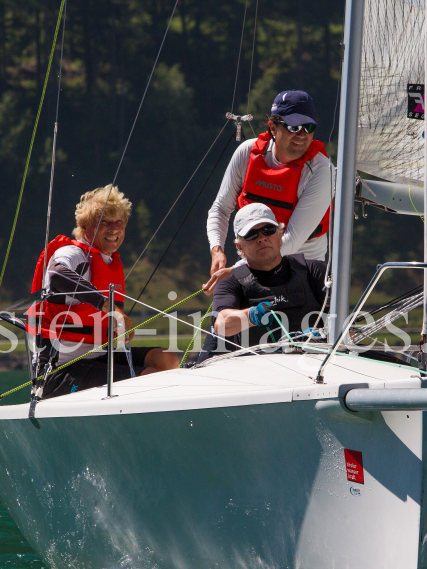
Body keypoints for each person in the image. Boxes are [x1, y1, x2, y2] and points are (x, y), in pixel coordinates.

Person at [27, 185, 178, 399]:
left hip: (99, 358)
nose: (113, 229)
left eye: (119, 222)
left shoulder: (108, 263)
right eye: (104, 222)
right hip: (61, 371)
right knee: (149, 376)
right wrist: (110, 308)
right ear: (85, 226)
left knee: (166, 359)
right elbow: (57, 274)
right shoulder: (73, 253)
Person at [205, 90, 333, 294]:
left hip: (301, 265)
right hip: (251, 260)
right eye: (294, 127)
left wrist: (235, 271)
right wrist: (217, 250)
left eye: (308, 127)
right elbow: (220, 209)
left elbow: (290, 242)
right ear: (273, 127)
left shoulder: (320, 170)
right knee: (228, 319)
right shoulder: (247, 153)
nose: (302, 134)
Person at [199, 204, 328, 359]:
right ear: (240, 247)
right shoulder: (231, 283)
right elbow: (222, 324)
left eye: (268, 230)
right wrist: (252, 315)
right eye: (252, 235)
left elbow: (341, 319)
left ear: (280, 236)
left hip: (312, 363)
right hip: (258, 371)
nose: (262, 238)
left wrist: (324, 333)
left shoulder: (314, 270)